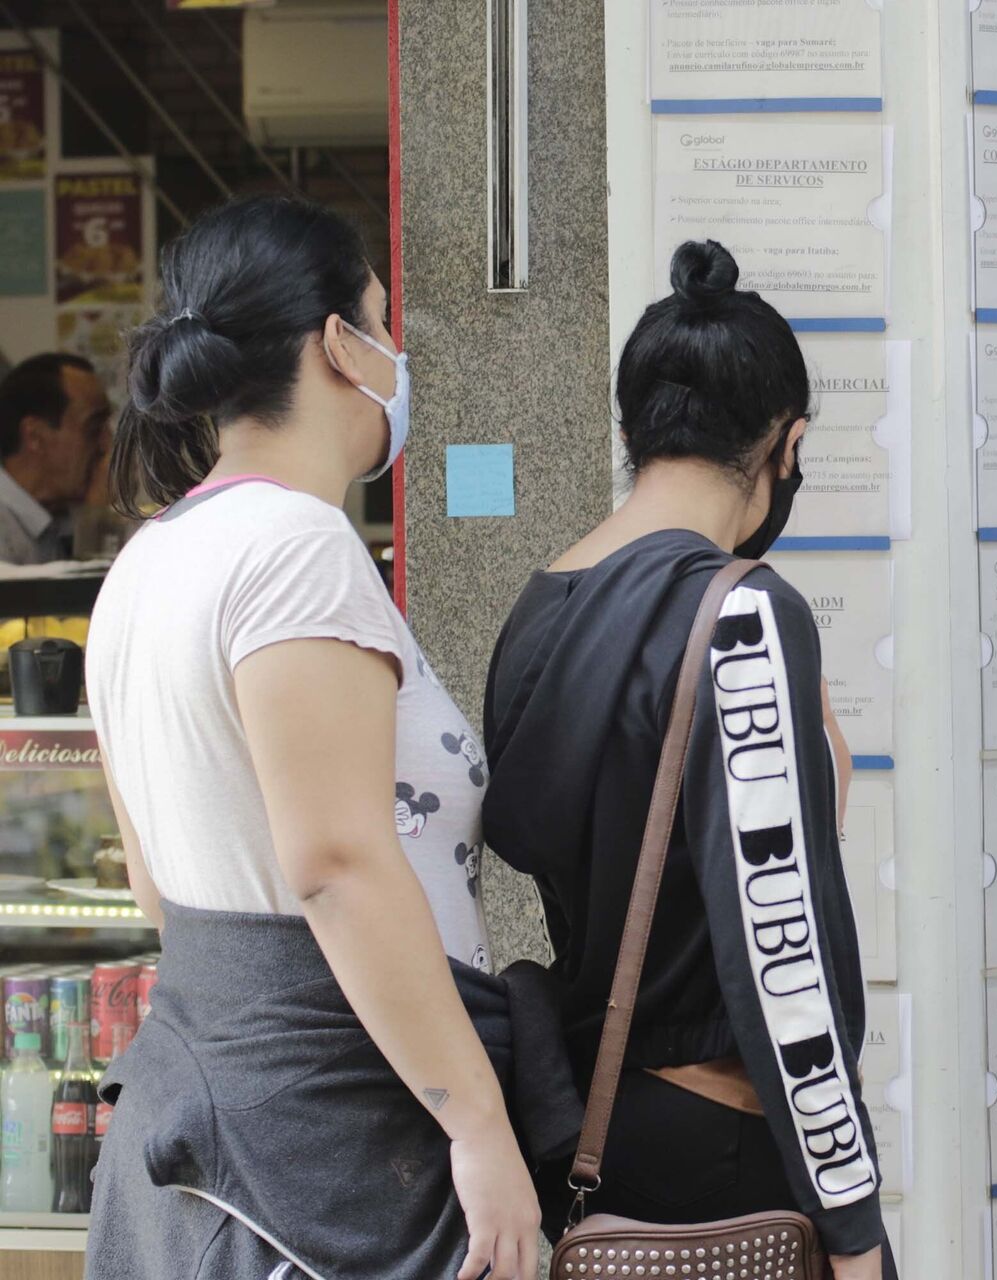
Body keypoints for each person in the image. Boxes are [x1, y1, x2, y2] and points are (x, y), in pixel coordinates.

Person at [82, 196, 569, 1280]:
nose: (397, 352)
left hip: (210, 1122)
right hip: (331, 1153)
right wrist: (478, 1122)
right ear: (338, 343)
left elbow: (159, 891)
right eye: (382, 320)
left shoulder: (146, 563)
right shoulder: (298, 545)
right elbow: (338, 864)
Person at [484, 239, 892, 1279]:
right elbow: (780, 951)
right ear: (786, 445)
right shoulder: (743, 611)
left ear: (633, 432)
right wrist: (851, 1226)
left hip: (601, 1133)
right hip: (728, 1144)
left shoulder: (538, 609)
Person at [0, 352, 110, 562]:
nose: (107, 444)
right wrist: (95, 518)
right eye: (94, 428)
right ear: (35, 436)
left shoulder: (60, 518)